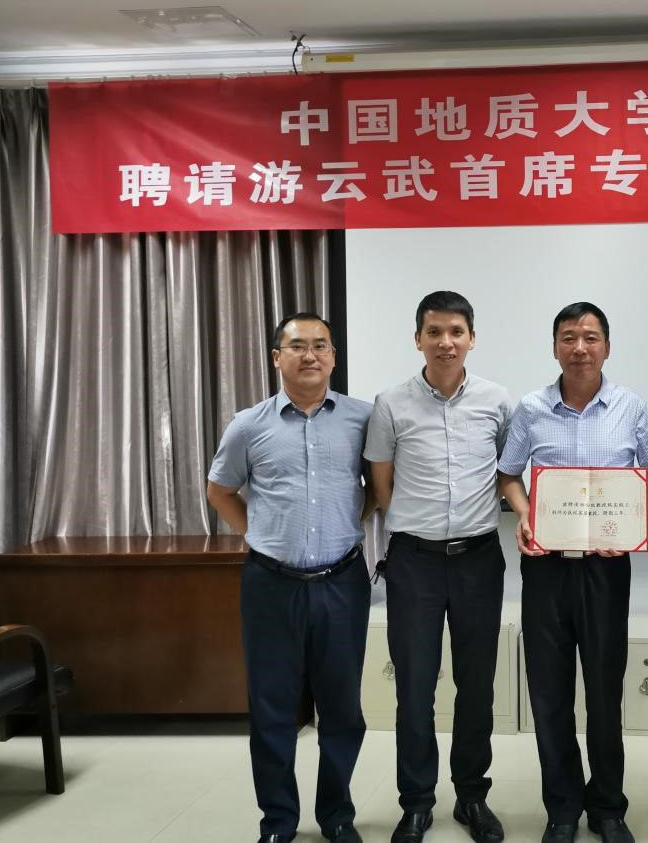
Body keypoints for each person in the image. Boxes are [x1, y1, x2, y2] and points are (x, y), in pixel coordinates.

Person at [497, 302, 648, 843]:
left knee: (603, 690)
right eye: (568, 337)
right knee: (548, 693)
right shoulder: (531, 409)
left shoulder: (631, 407)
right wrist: (525, 513)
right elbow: (508, 476)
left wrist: (632, 517)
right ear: (555, 348)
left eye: (591, 337)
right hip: (546, 569)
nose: (580, 347)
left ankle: (608, 807)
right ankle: (563, 808)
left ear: (607, 347)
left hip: (605, 571)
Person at [206, 312, 373, 843]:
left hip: (341, 582)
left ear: (333, 357)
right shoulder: (248, 424)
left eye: (321, 346)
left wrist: (352, 521)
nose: (310, 355)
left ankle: (336, 815)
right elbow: (219, 490)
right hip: (271, 585)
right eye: (298, 346)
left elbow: (379, 485)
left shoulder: (362, 419)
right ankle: (278, 821)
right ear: (277, 357)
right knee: (273, 709)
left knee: (342, 709)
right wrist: (258, 533)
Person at [364, 291, 512, 843]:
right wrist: (415, 529)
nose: (445, 342)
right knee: (415, 687)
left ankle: (472, 796)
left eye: (456, 332)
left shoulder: (498, 401)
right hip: (414, 563)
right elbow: (381, 485)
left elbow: (507, 473)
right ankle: (417, 803)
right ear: (418, 338)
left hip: (478, 559)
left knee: (476, 686)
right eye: (434, 332)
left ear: (472, 338)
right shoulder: (390, 403)